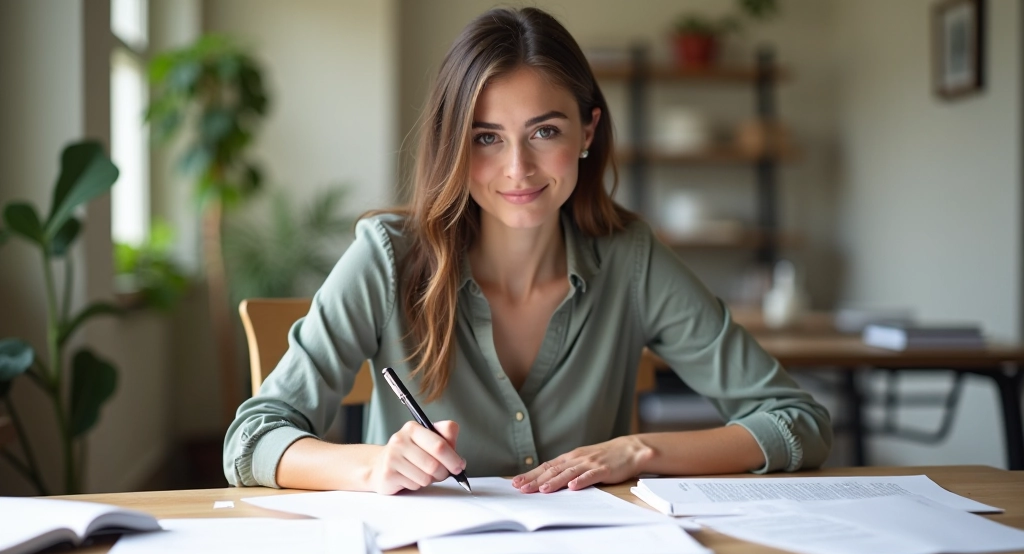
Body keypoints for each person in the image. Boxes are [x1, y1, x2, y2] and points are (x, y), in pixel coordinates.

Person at [224, 7, 832, 495]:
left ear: (588, 131)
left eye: (545, 131)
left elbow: (796, 421)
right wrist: (372, 466)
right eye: (486, 138)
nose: (517, 169)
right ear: (454, 145)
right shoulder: (387, 257)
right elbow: (251, 439)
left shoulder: (632, 260)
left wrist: (640, 451)